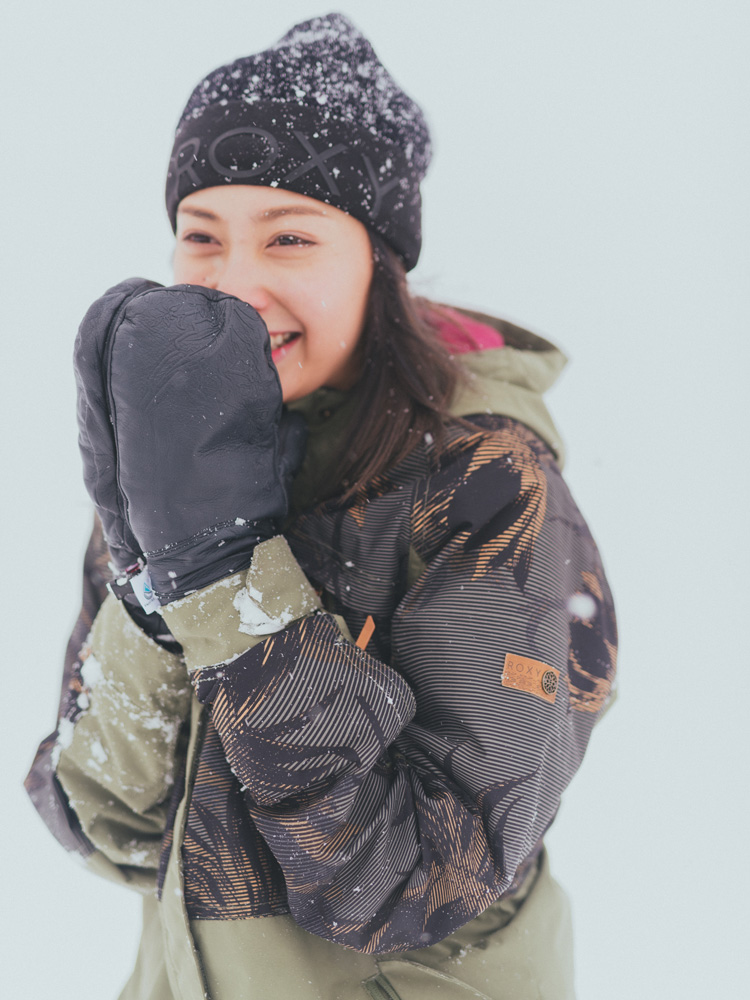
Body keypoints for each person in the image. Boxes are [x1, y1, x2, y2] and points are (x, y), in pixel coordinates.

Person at [25, 13, 617, 1000]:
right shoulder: (177, 463)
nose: (235, 284)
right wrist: (146, 572)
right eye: (201, 238)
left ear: (378, 262)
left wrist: (223, 578)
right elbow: (106, 826)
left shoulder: (490, 490)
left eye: (290, 237)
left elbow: (424, 881)